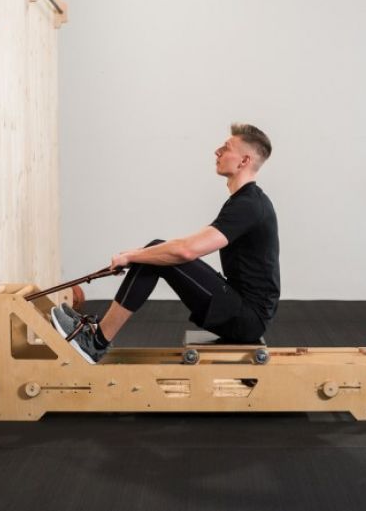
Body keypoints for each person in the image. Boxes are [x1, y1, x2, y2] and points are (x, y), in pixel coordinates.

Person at [51, 123, 280, 363]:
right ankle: (98, 335)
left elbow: (186, 250)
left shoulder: (249, 205)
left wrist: (131, 256)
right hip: (241, 308)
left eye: (226, 147)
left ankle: (96, 342)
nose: (217, 151)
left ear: (244, 161)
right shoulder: (245, 201)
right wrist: (137, 254)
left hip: (246, 319)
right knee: (154, 253)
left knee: (156, 254)